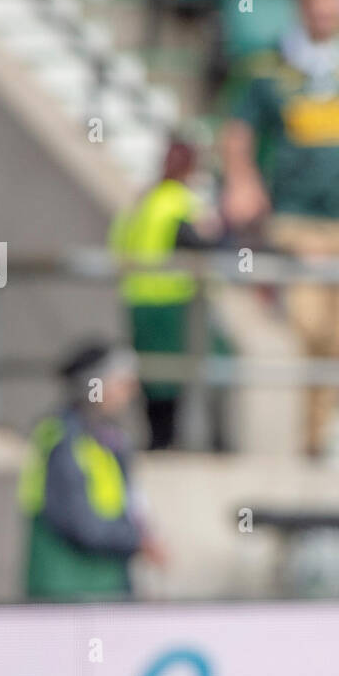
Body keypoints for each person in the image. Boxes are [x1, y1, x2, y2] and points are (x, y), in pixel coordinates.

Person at [219, 0, 339, 456]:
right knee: (310, 327)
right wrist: (242, 179)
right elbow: (238, 130)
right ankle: (309, 436)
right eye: (319, 1)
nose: (327, 11)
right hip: (298, 220)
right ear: (302, 4)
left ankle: (319, 434)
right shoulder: (270, 66)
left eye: (335, 1)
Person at [18, 342, 166, 601]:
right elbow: (82, 525)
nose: (132, 392)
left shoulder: (107, 440)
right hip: (66, 591)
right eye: (123, 383)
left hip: (103, 587)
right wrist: (137, 541)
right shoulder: (63, 440)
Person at [109, 137, 221, 450]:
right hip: (169, 301)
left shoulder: (145, 200)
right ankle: (166, 442)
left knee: (149, 375)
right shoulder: (178, 201)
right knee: (169, 378)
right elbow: (200, 242)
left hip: (137, 298)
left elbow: (119, 242)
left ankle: (157, 441)